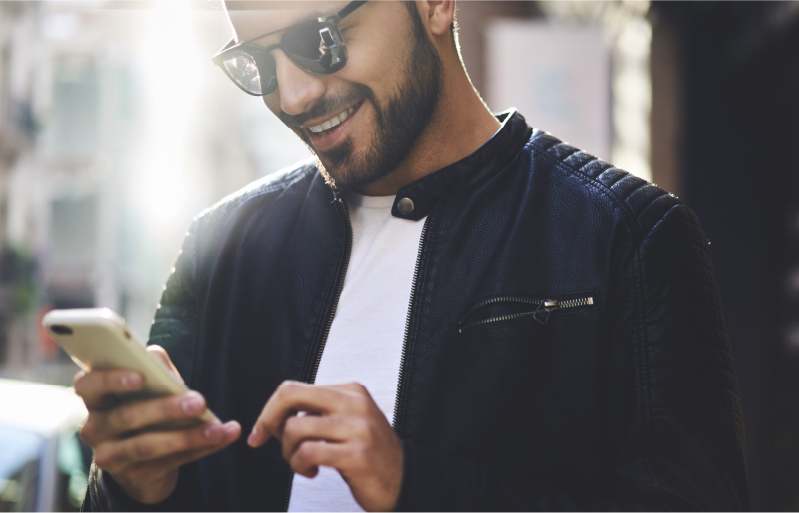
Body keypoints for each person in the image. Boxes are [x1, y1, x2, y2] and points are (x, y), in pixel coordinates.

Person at [78, 1, 749, 510]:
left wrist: (416, 483)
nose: (294, 94)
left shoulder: (630, 237)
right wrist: (133, 482)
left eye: (320, 40)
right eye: (257, 64)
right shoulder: (219, 248)